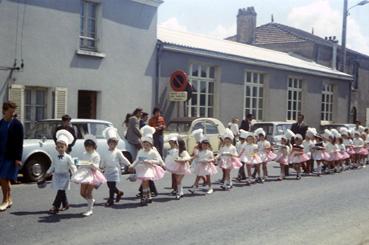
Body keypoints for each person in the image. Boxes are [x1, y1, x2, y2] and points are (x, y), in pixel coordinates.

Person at [129, 125, 166, 205]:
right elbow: (137, 160)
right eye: (144, 145)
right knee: (144, 183)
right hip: (141, 169)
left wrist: (151, 161)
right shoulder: (141, 151)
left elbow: (158, 160)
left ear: (150, 145)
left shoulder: (153, 152)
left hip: (148, 169)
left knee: (145, 182)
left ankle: (144, 197)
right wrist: (132, 166)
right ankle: (148, 196)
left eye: (147, 145)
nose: (145, 146)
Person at [71, 135, 106, 216]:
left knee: (88, 193)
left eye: (89, 146)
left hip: (93, 175)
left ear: (93, 146)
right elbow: (81, 164)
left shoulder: (96, 155)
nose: (87, 148)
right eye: (86, 146)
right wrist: (77, 174)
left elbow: (96, 167)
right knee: (82, 193)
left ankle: (90, 209)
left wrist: (89, 164)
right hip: (84, 174)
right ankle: (91, 201)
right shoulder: (84, 153)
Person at [45, 130, 77, 214]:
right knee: (61, 191)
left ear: (66, 147)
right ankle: (66, 204)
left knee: (60, 191)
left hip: (65, 176)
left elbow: (72, 166)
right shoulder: (55, 157)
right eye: (58, 147)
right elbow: (53, 165)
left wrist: (75, 174)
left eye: (62, 147)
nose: (60, 149)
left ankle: (55, 206)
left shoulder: (68, 157)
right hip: (57, 176)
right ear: (56, 148)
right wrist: (48, 172)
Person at [0, 101, 24, 211]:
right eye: (10, 111)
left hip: (11, 156)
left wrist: (18, 158)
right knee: (3, 179)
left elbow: (19, 143)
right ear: (4, 111)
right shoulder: (0, 123)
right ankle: (9, 199)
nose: (12, 114)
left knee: (4, 177)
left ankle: (5, 200)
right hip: (1, 155)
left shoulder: (17, 125)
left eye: (13, 111)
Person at [100, 127, 131, 207]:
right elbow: (103, 160)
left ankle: (111, 200)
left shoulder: (118, 152)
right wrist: (101, 167)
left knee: (112, 186)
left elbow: (123, 159)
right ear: (108, 144)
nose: (112, 145)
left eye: (114, 144)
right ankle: (119, 193)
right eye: (111, 144)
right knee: (109, 185)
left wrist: (129, 164)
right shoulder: (106, 152)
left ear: (116, 144)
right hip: (107, 171)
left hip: (115, 171)